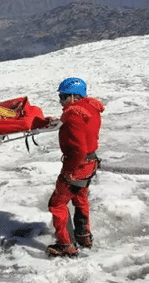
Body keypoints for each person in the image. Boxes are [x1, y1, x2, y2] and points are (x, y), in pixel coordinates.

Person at [46, 77, 105, 257]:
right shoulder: (90, 108)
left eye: (63, 96)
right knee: (80, 198)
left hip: (78, 165)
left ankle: (65, 244)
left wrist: (69, 172)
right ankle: (84, 235)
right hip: (91, 163)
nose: (61, 101)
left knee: (57, 204)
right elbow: (83, 128)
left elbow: (78, 149)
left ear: (73, 96)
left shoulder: (72, 114)